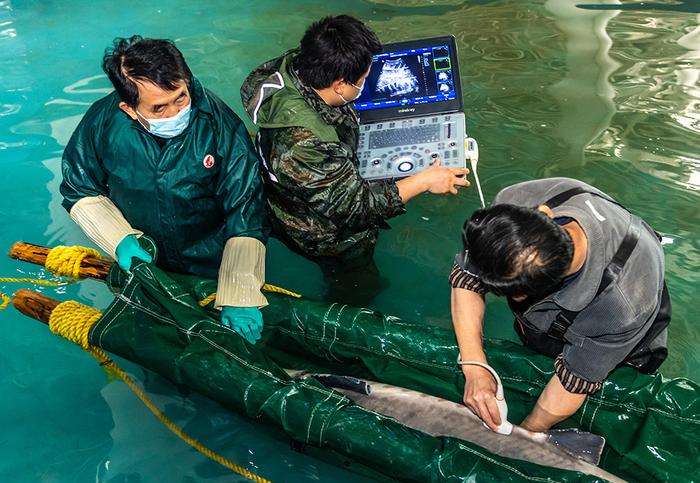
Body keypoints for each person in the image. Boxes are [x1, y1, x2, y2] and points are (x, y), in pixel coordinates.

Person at [60, 36, 269, 344]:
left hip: (211, 262)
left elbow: (246, 206)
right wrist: (120, 241)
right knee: (157, 345)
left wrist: (240, 289)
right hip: (143, 261)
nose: (175, 114)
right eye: (159, 108)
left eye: (180, 98)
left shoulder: (218, 124)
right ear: (129, 109)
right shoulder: (103, 123)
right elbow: (79, 186)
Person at [240, 15, 469, 279]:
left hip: (316, 182)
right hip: (324, 233)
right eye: (362, 80)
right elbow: (354, 209)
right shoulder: (304, 143)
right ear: (338, 84)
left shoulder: (298, 65)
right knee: (362, 283)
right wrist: (423, 182)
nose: (366, 83)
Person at [450, 177, 670, 432]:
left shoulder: (624, 307)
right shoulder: (518, 204)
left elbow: (574, 381)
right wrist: (476, 367)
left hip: (629, 332)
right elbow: (467, 278)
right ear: (542, 213)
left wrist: (524, 436)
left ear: (523, 296)